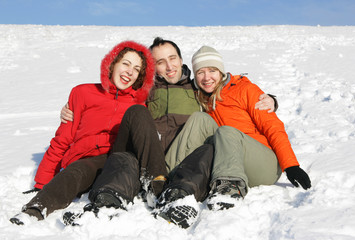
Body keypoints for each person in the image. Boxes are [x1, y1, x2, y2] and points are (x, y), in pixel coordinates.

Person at [60, 38, 277, 228]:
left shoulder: (198, 90)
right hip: (150, 163)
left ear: (181, 60)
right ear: (153, 68)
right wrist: (74, 111)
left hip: (184, 165)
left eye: (172, 58)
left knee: (208, 151)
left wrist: (271, 100)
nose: (169, 66)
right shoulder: (144, 91)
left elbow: (225, 92)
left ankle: (180, 198)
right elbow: (115, 99)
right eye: (160, 62)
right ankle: (104, 206)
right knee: (125, 160)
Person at [9, 40, 161, 225]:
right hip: (85, 161)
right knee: (76, 171)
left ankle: (156, 188)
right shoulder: (83, 93)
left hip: (118, 160)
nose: (130, 71)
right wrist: (42, 182)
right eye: (126, 64)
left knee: (135, 121)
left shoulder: (138, 104)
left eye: (136, 69)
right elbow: (62, 139)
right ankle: (35, 209)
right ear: (112, 64)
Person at [166, 45, 311, 221]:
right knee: (198, 119)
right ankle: (168, 180)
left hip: (263, 164)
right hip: (228, 159)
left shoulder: (244, 89)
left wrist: (291, 166)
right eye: (200, 72)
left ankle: (230, 187)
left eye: (212, 70)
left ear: (221, 71)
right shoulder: (200, 97)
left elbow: (273, 127)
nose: (206, 77)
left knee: (226, 131)